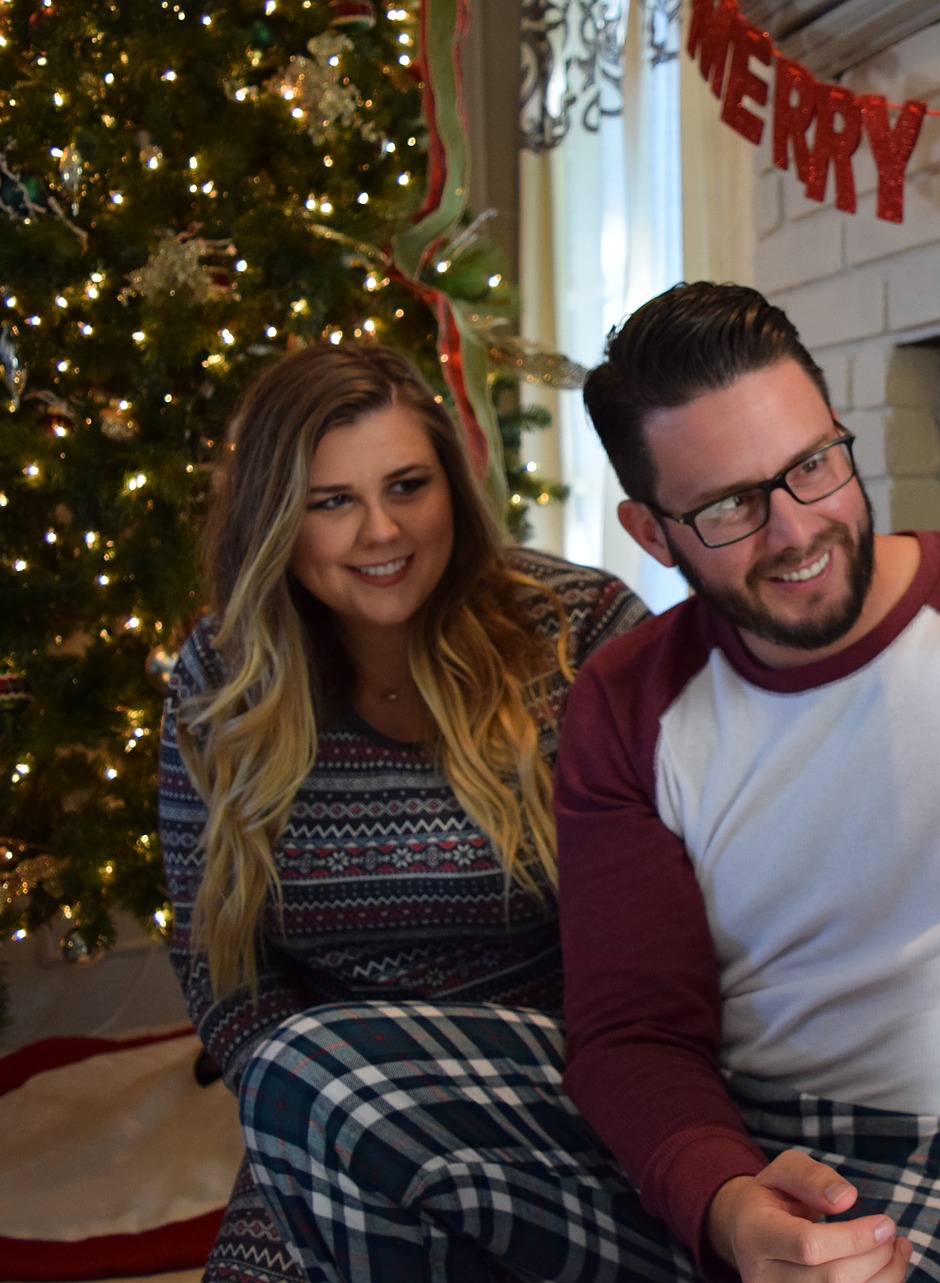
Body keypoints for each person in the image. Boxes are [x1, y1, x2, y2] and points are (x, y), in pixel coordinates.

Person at [554, 281, 940, 1283]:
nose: (794, 529)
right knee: (328, 1080)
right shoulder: (627, 699)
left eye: (813, 465)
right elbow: (633, 1027)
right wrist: (727, 1201)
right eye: (732, 504)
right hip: (750, 1132)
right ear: (652, 533)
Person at [158, 343, 648, 1283]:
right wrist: (299, 1109)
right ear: (275, 523)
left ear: (452, 491)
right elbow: (210, 950)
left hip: (568, 1086)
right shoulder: (221, 674)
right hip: (326, 1104)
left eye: (408, 486)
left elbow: (684, 905)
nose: (381, 530)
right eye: (332, 501)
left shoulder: (579, 627)